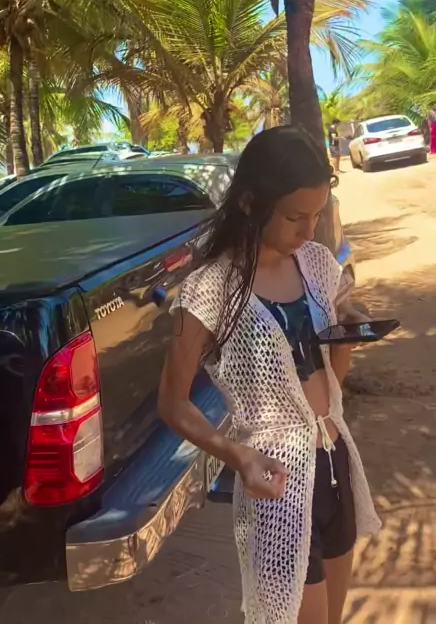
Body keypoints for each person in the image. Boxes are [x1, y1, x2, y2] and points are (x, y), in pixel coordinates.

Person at [159, 127, 380, 624]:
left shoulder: (317, 264)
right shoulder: (210, 289)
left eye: (316, 215)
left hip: (335, 461)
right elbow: (172, 403)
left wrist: (347, 331)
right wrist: (238, 456)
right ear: (250, 203)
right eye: (295, 217)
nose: (308, 230)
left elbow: (333, 378)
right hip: (277, 482)